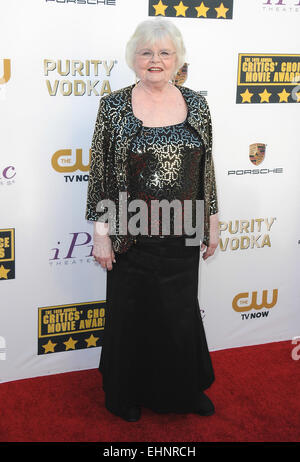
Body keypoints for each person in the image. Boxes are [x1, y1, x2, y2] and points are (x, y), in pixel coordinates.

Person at [85, 18, 219, 422]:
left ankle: (184, 389)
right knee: (132, 315)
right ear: (133, 59)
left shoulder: (196, 103)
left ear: (177, 59)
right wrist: (102, 235)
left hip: (182, 227)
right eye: (147, 52)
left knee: (179, 314)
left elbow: (206, 169)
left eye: (164, 53)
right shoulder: (113, 106)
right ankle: (125, 392)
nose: (155, 60)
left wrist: (211, 222)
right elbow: (101, 175)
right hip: (131, 232)